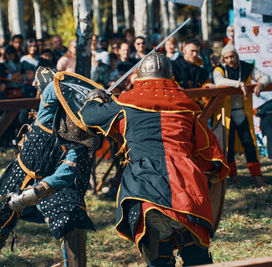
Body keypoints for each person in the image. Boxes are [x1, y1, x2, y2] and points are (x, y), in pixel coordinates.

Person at [79, 52, 229, 266]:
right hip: (188, 191)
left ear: (139, 78)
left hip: (146, 190)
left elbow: (89, 116)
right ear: (170, 78)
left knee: (159, 261)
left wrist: (95, 97)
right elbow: (211, 153)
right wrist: (214, 176)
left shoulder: (124, 106)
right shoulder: (186, 110)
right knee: (197, 260)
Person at [0, 71, 98, 267]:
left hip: (56, 187)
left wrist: (38, 191)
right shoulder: (47, 108)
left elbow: (67, 172)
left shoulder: (83, 134)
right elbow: (53, 87)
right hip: (22, 174)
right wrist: (77, 93)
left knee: (73, 224)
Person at [213, 44, 271, 187]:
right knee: (229, 146)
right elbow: (219, 81)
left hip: (241, 111)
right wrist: (239, 84)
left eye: (232, 56)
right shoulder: (220, 68)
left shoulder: (246, 67)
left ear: (237, 56)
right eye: (226, 57)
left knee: (249, 144)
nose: (230, 60)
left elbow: (265, 77)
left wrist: (260, 85)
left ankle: (257, 176)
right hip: (226, 113)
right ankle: (233, 177)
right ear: (223, 59)